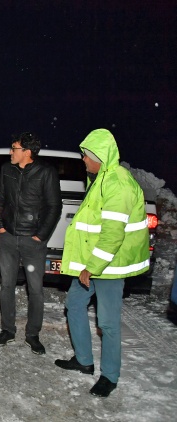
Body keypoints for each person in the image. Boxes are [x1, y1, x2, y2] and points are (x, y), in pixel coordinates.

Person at [55, 129, 150, 397]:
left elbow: (112, 234)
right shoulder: (100, 178)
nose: (83, 160)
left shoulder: (118, 184)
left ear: (101, 156)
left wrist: (92, 267)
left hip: (109, 265)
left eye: (86, 156)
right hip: (95, 261)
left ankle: (109, 376)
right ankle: (84, 360)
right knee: (74, 303)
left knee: (107, 322)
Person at [0, 132, 62, 354]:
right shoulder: (7, 170)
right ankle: (8, 330)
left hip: (33, 242)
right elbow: (0, 198)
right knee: (6, 285)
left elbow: (54, 206)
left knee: (35, 289)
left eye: (14, 148)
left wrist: (40, 235)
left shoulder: (46, 173)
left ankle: (32, 335)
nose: (10, 152)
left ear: (27, 152)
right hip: (9, 238)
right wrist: (1, 227)